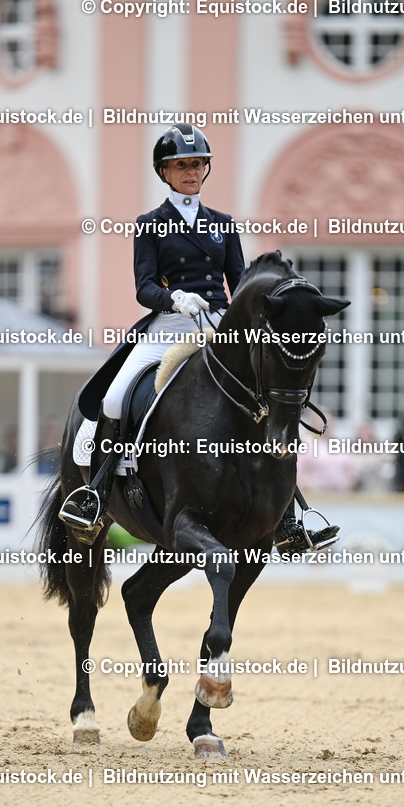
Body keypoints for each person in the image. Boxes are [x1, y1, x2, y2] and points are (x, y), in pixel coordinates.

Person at [59, 124, 338, 553]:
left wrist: (234, 313)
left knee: (265, 398)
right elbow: (144, 287)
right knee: (114, 400)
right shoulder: (150, 225)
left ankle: (289, 515)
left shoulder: (223, 225)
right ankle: (96, 491)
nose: (191, 172)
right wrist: (174, 299)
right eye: (181, 165)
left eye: (197, 164)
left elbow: (240, 282)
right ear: (165, 171)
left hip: (218, 327)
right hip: (168, 326)